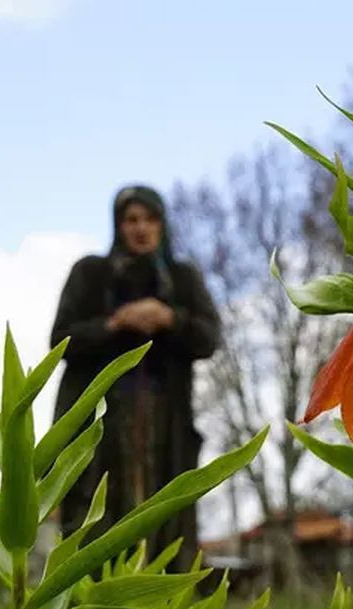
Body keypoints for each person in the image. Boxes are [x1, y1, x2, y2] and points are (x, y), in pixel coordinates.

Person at [50, 184, 220, 573]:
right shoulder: (90, 273)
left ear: (162, 225)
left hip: (166, 425)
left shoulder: (182, 278)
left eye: (150, 219)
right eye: (131, 220)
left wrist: (170, 318)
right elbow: (61, 339)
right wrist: (115, 323)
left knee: (167, 519)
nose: (141, 228)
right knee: (95, 519)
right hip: (101, 424)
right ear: (118, 226)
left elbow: (210, 338)